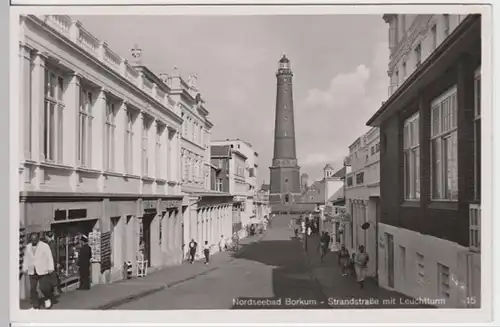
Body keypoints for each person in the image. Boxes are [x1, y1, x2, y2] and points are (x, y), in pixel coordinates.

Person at [23, 232, 54, 309]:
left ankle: (47, 298)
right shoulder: (27, 247)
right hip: (32, 270)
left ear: (38, 239)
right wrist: (24, 268)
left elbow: (49, 257)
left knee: (43, 287)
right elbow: (26, 258)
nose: (33, 242)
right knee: (33, 288)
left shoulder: (45, 246)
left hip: (42, 269)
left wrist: (51, 267)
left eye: (35, 240)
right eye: (32, 240)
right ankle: (35, 305)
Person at [44, 231, 61, 298]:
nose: (45, 237)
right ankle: (55, 291)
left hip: (51, 263)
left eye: (45, 236)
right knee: (53, 276)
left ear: (47, 236)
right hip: (53, 263)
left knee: (52, 277)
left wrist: (55, 262)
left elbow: (53, 254)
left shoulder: (50, 244)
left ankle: (55, 292)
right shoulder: (53, 243)